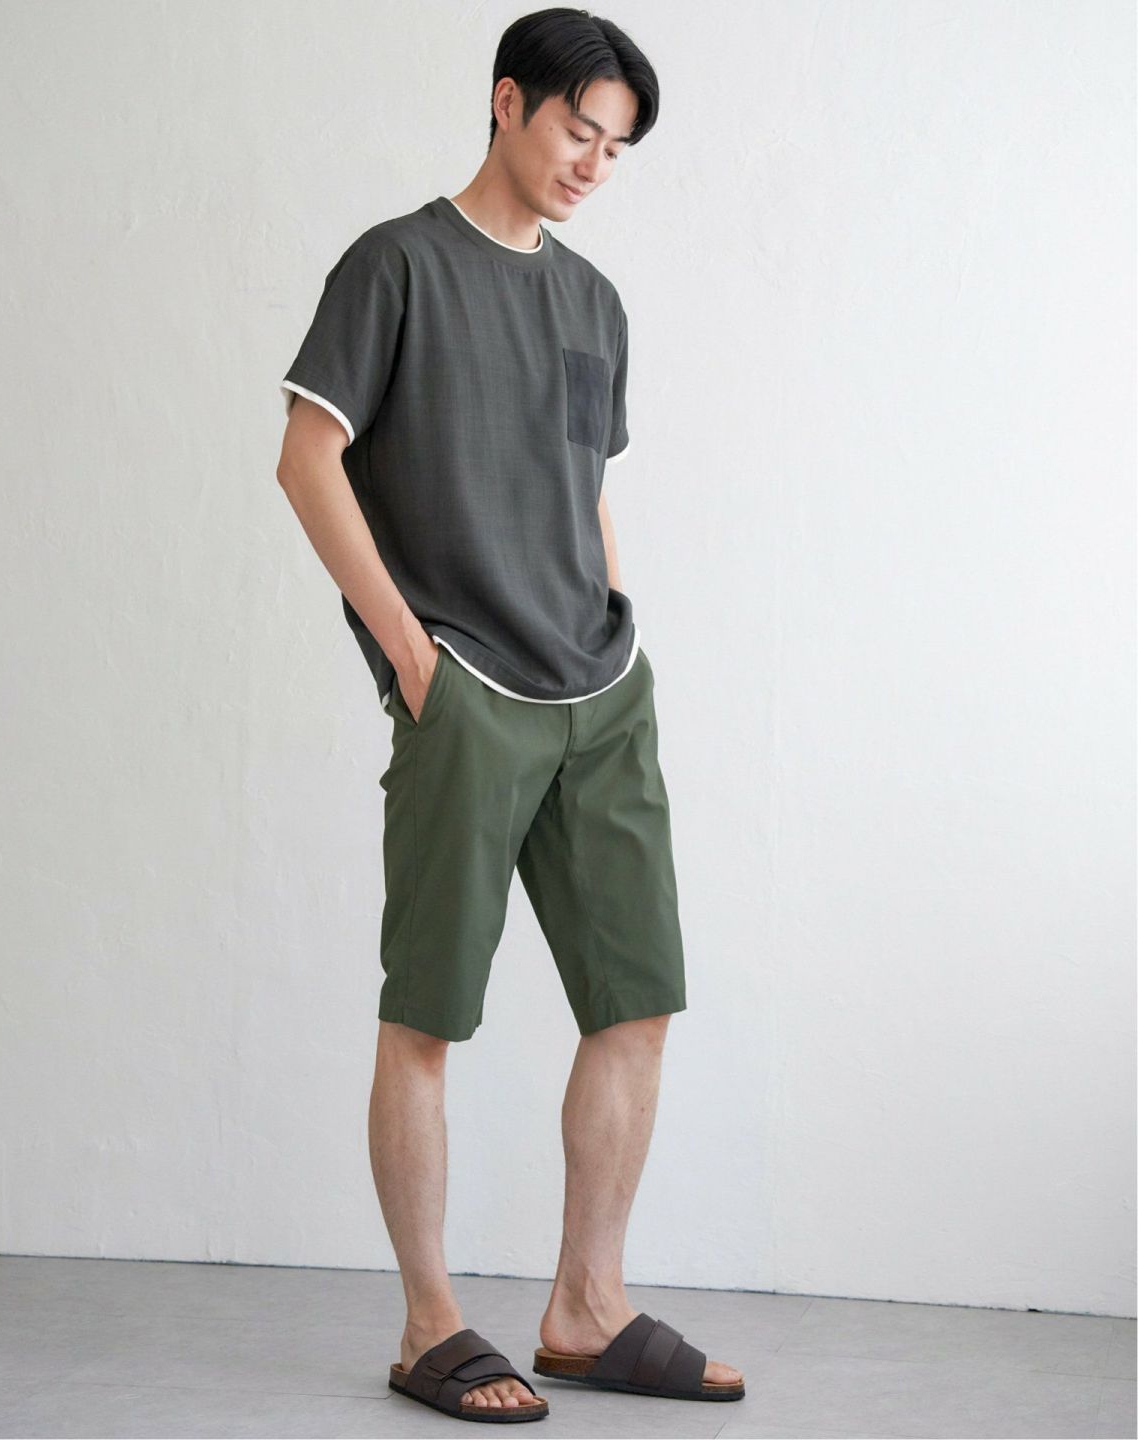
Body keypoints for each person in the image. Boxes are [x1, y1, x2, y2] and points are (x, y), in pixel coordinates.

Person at [274, 6, 744, 1424]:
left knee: (638, 1002)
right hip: (467, 688)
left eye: (616, 147)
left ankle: (587, 1309)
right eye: (577, 130)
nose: (593, 163)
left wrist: (616, 610)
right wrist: (410, 657)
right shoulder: (397, 264)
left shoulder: (596, 301)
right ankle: (430, 1324)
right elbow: (307, 458)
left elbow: (583, 485)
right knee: (428, 1015)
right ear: (507, 104)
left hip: (600, 689)